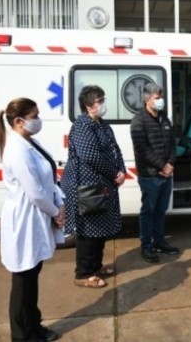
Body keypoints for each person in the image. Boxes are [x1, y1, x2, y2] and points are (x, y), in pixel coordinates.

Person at [0, 97, 64, 342]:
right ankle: (23, 335)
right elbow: (35, 192)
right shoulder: (16, 150)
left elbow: (48, 177)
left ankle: (34, 326)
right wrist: (57, 213)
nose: (38, 120)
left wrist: (59, 202)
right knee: (23, 282)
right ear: (19, 121)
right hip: (25, 221)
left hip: (36, 216)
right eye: (34, 116)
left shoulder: (28, 143)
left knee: (32, 277)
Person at [62, 85, 126, 288]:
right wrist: (113, 172)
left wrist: (121, 170)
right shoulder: (82, 125)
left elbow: (116, 150)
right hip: (87, 186)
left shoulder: (103, 125)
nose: (103, 104)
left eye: (102, 99)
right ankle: (83, 273)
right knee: (88, 230)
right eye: (100, 101)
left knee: (99, 228)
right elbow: (90, 156)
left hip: (103, 185)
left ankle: (96, 266)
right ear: (89, 105)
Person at [130, 83, 180, 263]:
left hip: (166, 174)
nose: (161, 101)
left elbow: (172, 143)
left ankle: (159, 242)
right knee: (148, 211)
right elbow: (142, 149)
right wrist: (162, 166)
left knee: (160, 210)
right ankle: (146, 246)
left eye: (161, 97)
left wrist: (171, 163)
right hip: (150, 175)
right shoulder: (139, 121)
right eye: (157, 98)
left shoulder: (164, 119)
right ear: (147, 100)